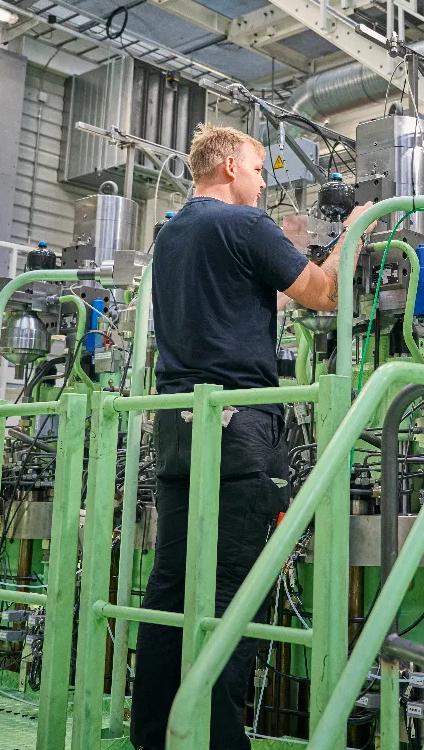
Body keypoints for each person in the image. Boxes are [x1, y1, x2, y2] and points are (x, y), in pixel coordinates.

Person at [131, 122, 368, 750]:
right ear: (231, 166)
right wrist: (355, 231)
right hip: (239, 428)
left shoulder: (172, 234)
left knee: (171, 585)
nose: (264, 183)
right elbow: (324, 294)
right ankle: (218, 740)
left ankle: (155, 735)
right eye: (260, 170)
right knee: (233, 587)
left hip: (177, 423)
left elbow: (239, 307)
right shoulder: (245, 224)